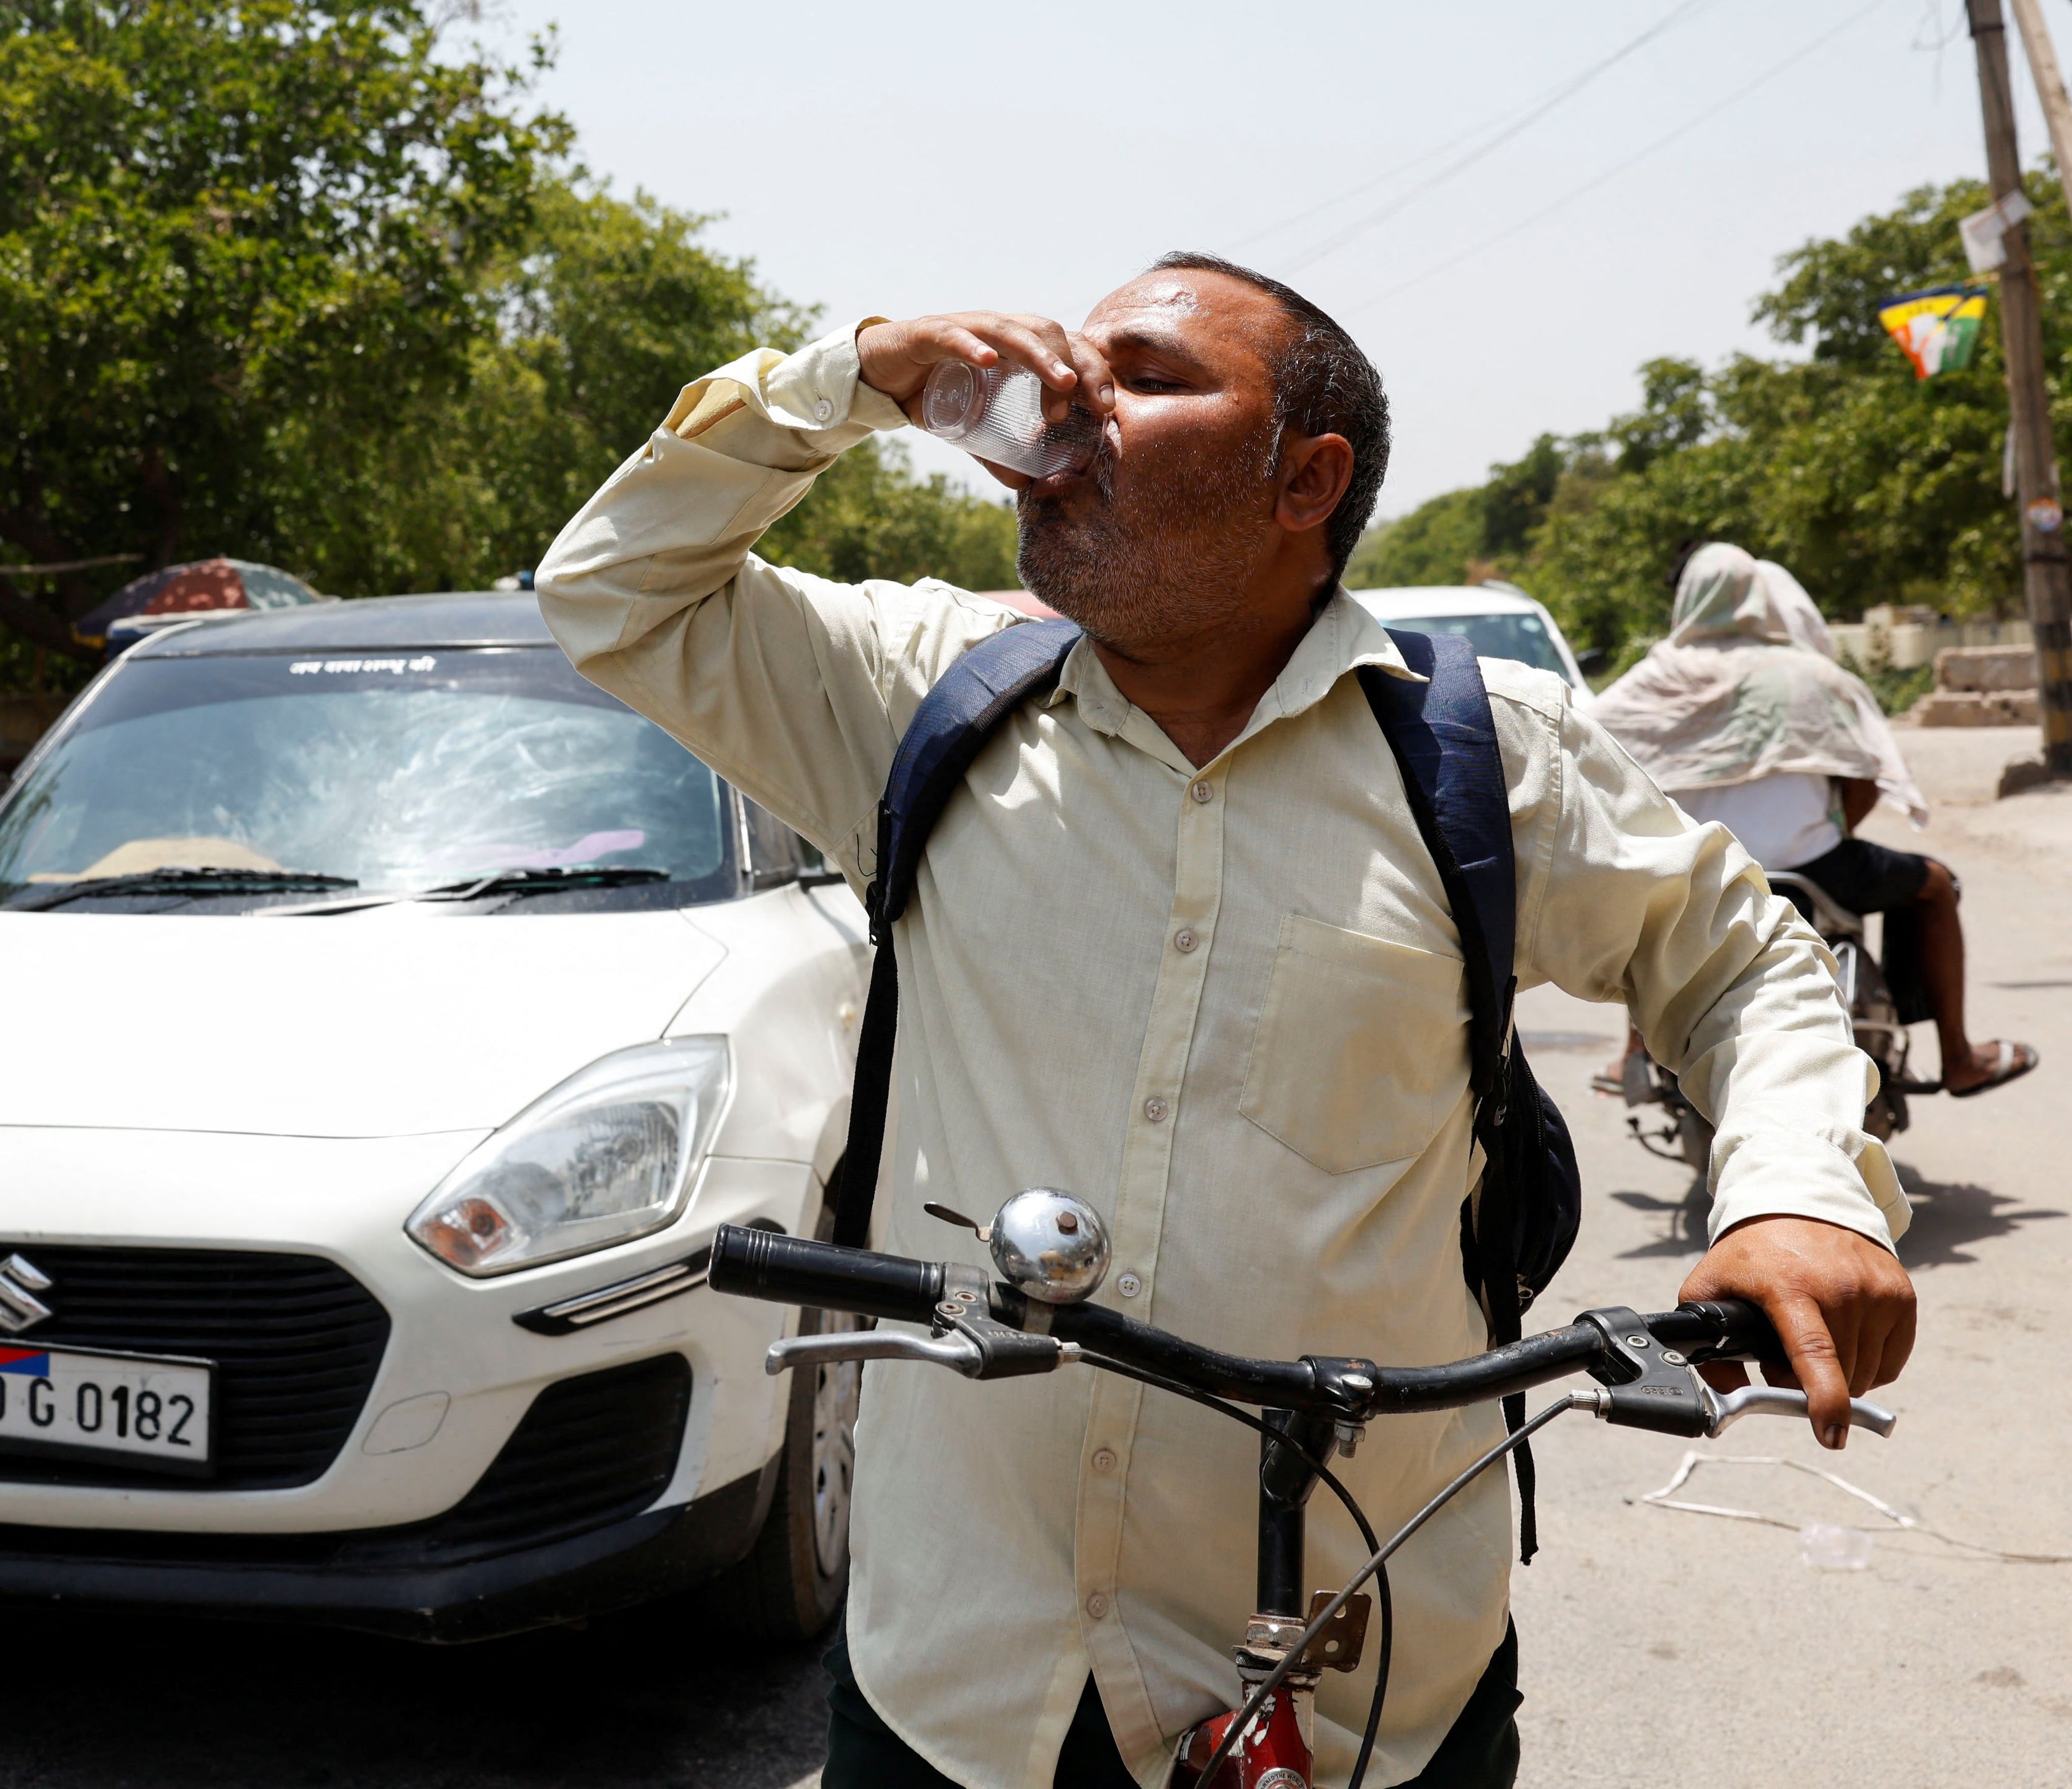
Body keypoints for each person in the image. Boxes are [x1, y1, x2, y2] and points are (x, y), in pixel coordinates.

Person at [534, 262, 1915, 1789]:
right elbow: (612, 590)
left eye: (1144, 374)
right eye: (1070, 363)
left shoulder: (1477, 759)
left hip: (1369, 1666)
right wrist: (857, 377)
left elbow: (1734, 961)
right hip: (961, 1673)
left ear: (1303, 480)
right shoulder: (913, 698)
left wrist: (1798, 1194)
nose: (1066, 397)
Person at [1592, 541, 2036, 1098]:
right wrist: (1828, 832)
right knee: (1936, 887)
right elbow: (1866, 779)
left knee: (1644, 910)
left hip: (1699, 876)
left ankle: (1634, 1054)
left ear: (1685, 599)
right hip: (1818, 874)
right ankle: (1959, 1056)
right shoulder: (1814, 675)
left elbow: (1599, 763)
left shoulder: (1650, 680)